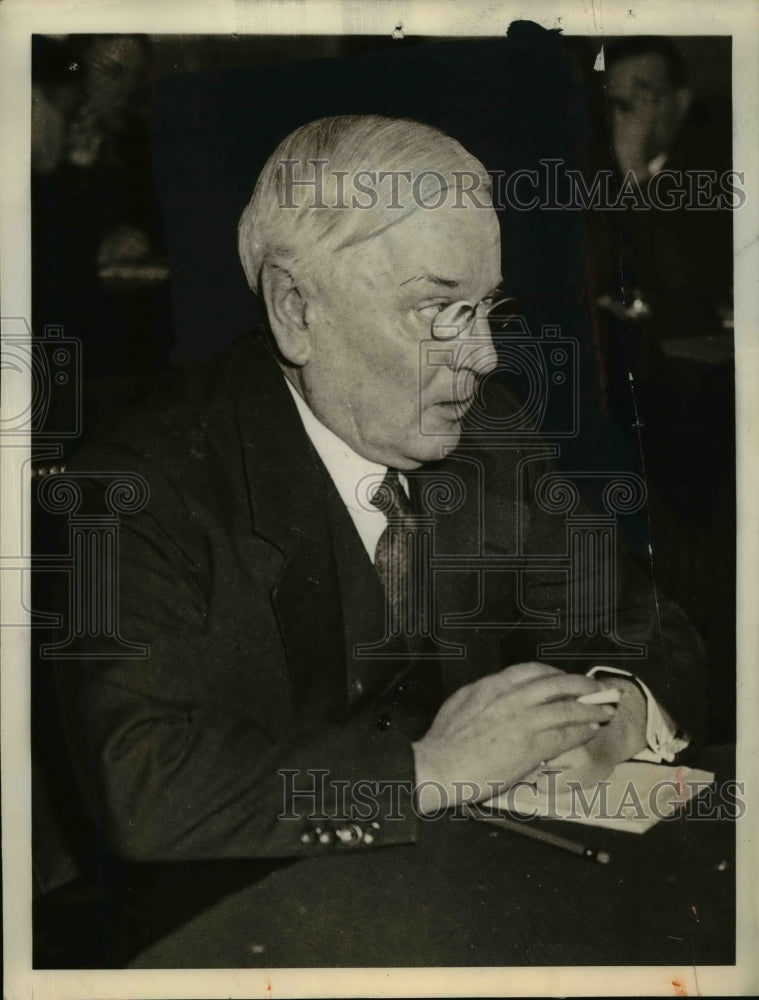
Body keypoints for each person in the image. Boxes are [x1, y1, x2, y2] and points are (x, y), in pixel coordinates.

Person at [54, 115, 705, 863]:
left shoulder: (487, 434)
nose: (486, 356)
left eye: (488, 307)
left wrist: (616, 705)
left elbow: (642, 622)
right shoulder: (137, 485)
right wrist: (428, 771)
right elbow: (144, 786)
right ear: (295, 311)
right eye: (436, 309)